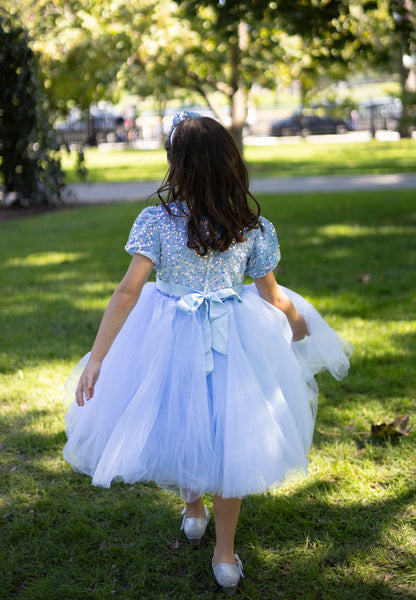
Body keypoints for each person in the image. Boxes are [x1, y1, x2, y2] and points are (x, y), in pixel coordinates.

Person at [63, 111, 352, 595]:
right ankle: (223, 556)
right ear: (230, 164)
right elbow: (273, 296)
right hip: (231, 338)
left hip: (168, 335)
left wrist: (98, 358)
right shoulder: (250, 225)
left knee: (183, 412)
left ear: (177, 166)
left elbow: (128, 293)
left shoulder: (156, 221)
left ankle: (194, 511)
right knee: (226, 433)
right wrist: (300, 327)